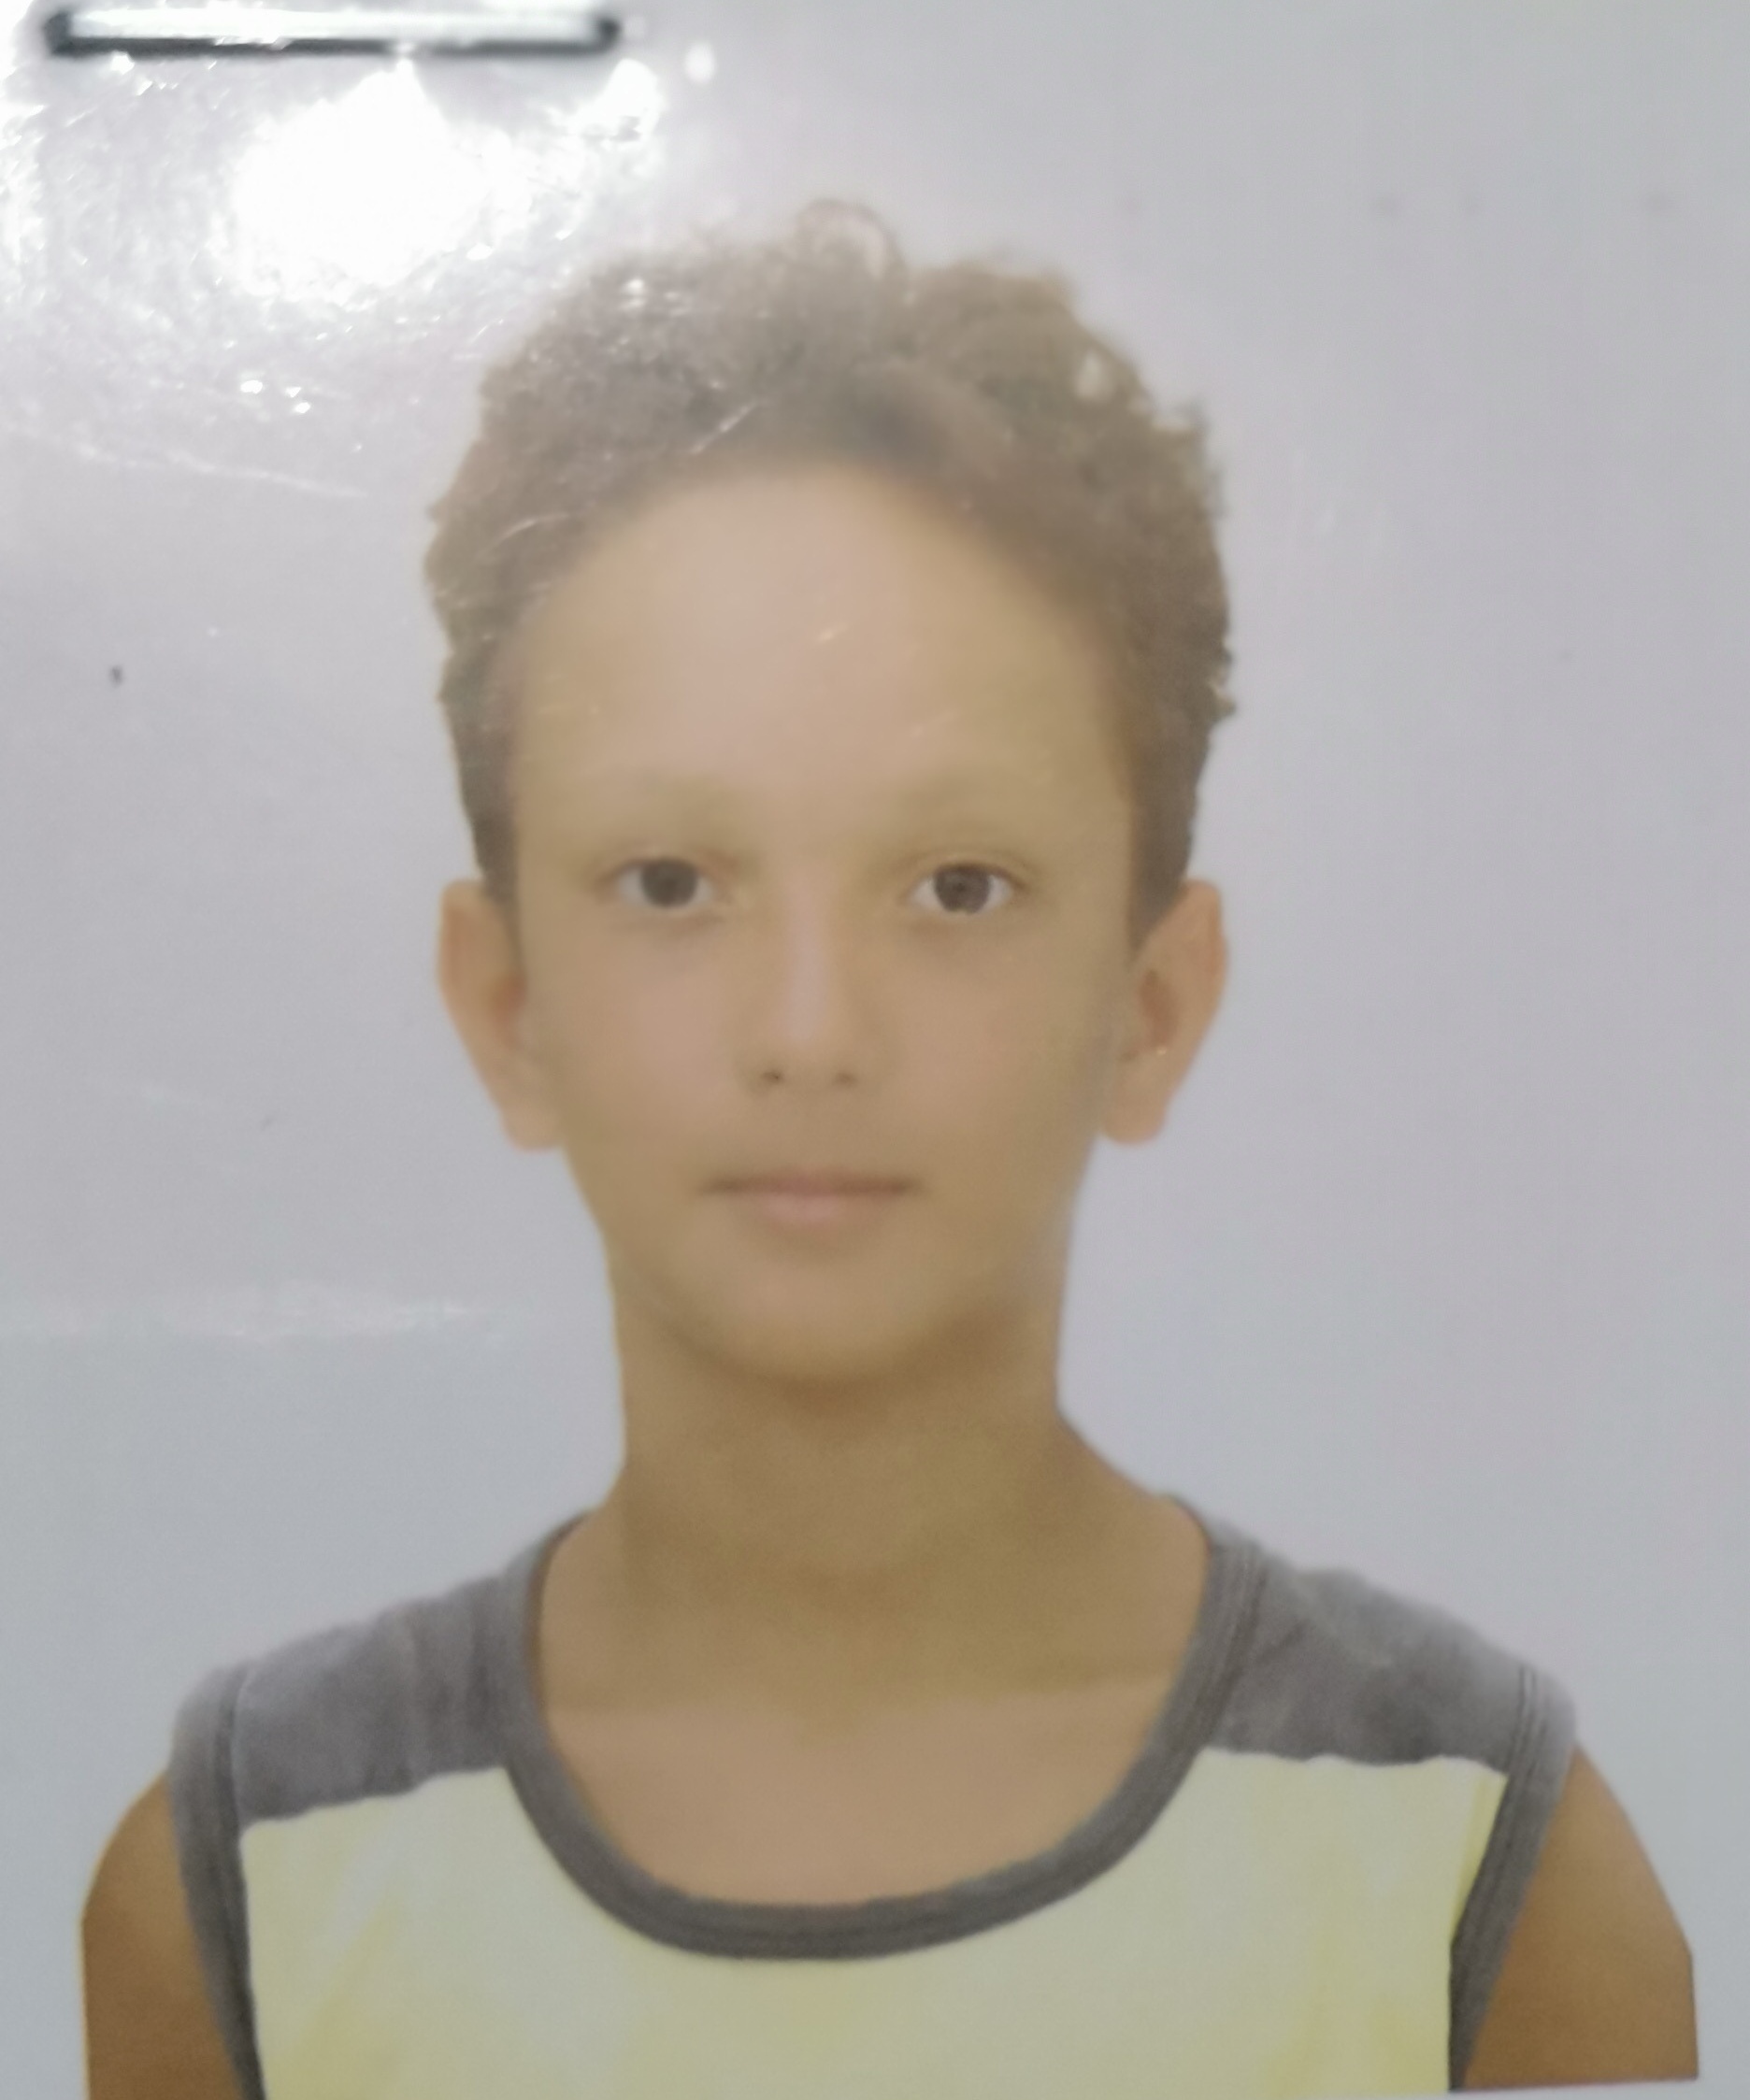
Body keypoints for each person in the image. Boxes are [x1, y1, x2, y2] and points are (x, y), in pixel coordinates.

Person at [82, 206, 1695, 2099]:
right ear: (507, 1002)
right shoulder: (249, 1878)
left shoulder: (1474, 1857)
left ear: (1153, 1004)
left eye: (958, 886)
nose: (811, 1030)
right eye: (669, 882)